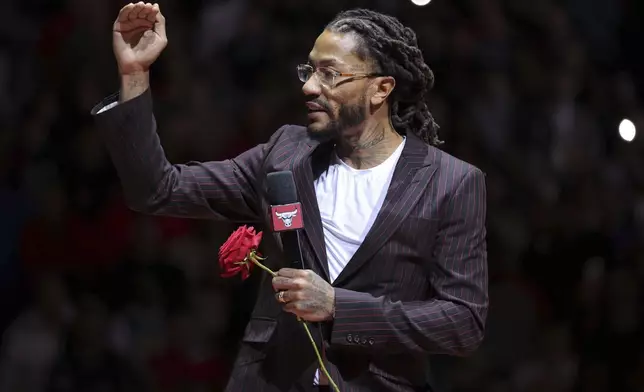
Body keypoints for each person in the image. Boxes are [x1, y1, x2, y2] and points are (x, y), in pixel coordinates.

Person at [91, 3, 489, 391]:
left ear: (380, 89)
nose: (309, 86)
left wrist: (338, 306)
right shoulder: (286, 153)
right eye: (309, 70)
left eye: (329, 74)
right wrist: (135, 73)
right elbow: (158, 190)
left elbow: (463, 323)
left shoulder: (451, 182)